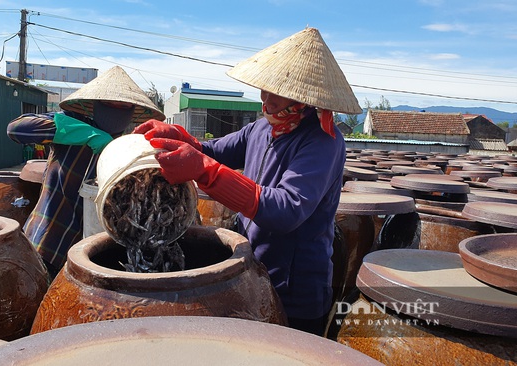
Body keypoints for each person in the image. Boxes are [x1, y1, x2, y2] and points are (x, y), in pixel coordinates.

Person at [133, 27, 362, 336]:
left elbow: (286, 209)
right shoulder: (260, 129)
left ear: (303, 98)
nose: (265, 98)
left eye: (276, 91)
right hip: (252, 272)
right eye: (264, 88)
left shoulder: (323, 142)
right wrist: (181, 137)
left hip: (295, 290)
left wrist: (205, 171)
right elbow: (214, 151)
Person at [7, 66, 165, 278]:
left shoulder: (129, 148)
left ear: (131, 111)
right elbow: (16, 129)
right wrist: (85, 133)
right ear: (96, 104)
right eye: (110, 104)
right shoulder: (71, 124)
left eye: (123, 106)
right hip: (48, 244)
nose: (116, 111)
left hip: (95, 257)